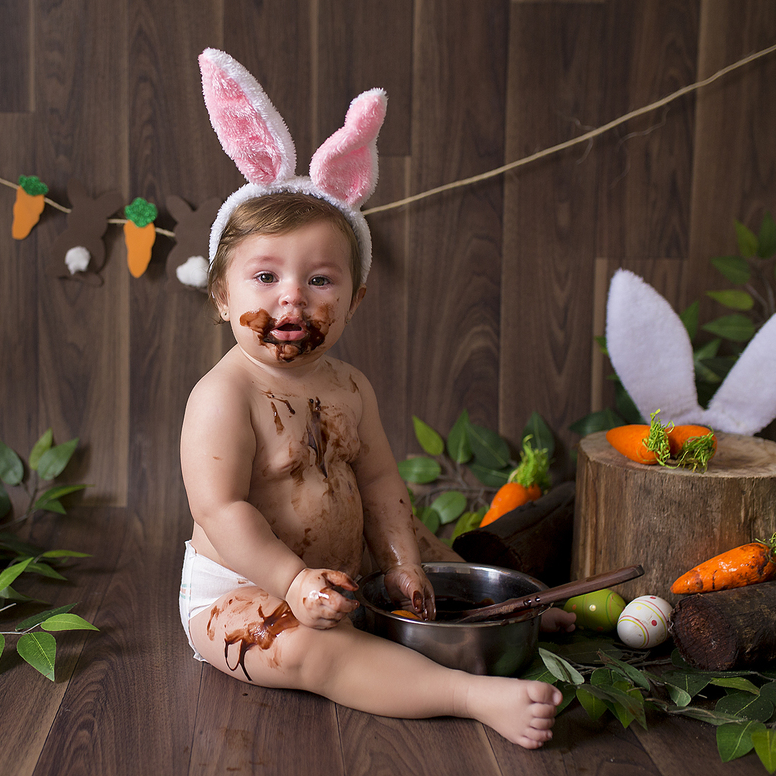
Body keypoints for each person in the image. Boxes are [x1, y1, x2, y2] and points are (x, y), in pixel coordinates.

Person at [178, 49, 574, 750]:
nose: (292, 296)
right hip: (244, 590)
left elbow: (383, 481)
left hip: (343, 575)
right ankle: (468, 692)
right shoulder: (224, 395)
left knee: (430, 556)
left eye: (320, 280)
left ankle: (510, 613)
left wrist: (405, 563)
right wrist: (292, 583)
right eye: (265, 276)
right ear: (221, 296)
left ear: (356, 300)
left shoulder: (351, 387)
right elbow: (221, 510)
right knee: (308, 651)